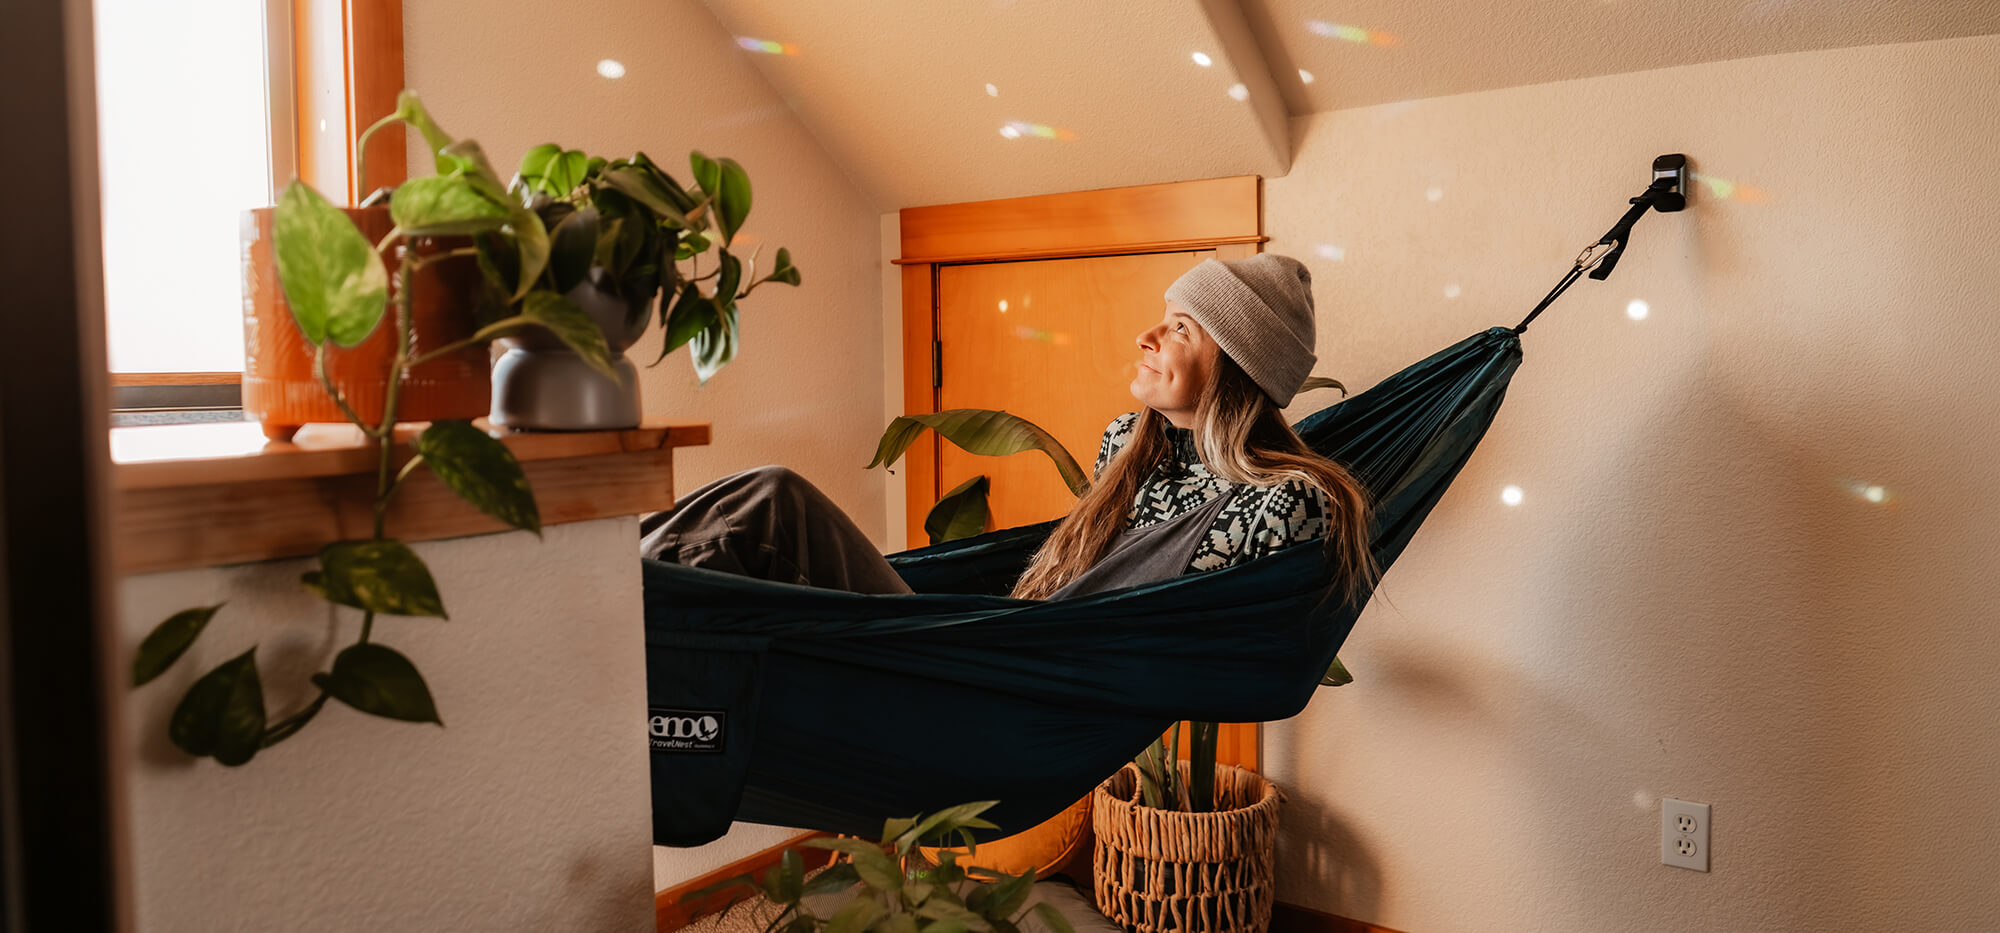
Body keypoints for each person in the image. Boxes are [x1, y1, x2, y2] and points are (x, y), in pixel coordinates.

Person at [639, 253, 1375, 603]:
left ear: (1238, 366)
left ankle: (612, 604)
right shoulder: (1128, 442)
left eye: (1181, 327)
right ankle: (628, 602)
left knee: (774, 504)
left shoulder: (1284, 502)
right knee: (760, 533)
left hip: (1002, 680)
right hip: (993, 645)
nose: (1148, 334)